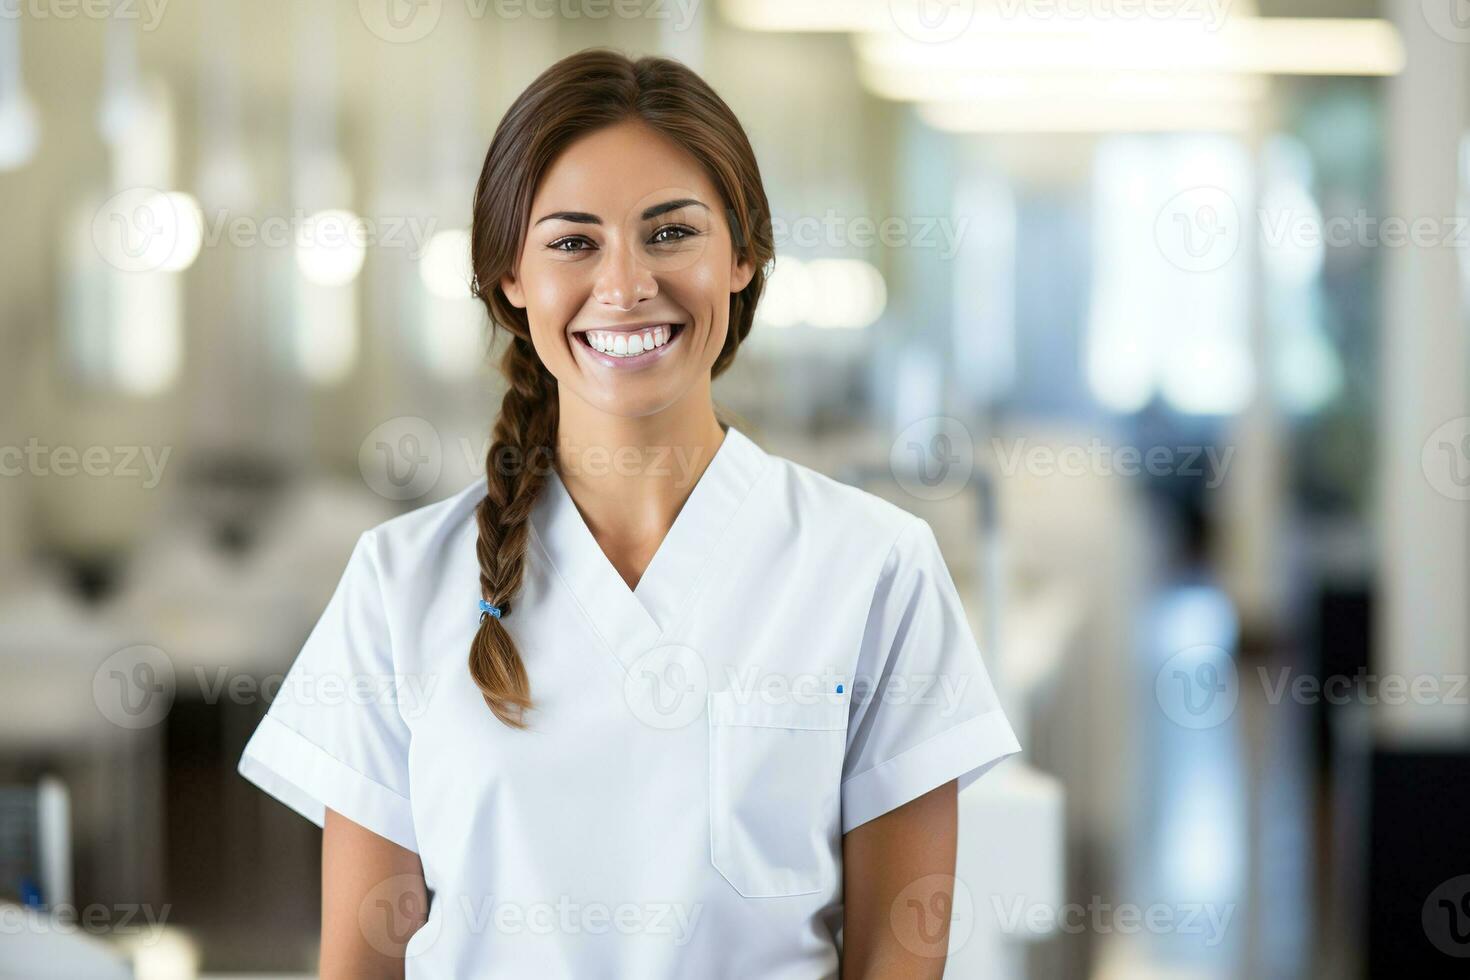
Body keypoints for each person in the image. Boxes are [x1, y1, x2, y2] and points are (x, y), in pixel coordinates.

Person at [237, 46, 1020, 979]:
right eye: (573, 242)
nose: (625, 285)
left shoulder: (876, 568)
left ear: (744, 255)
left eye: (670, 233)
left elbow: (899, 952)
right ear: (509, 278)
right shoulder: (397, 582)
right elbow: (365, 961)